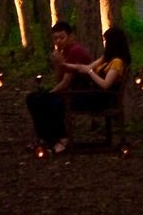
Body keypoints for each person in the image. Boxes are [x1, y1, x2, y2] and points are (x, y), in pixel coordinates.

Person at [26, 20, 92, 152]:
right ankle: (45, 137)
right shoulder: (64, 52)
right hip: (70, 92)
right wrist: (58, 64)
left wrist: (50, 93)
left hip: (82, 94)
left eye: (62, 37)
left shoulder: (75, 51)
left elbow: (66, 82)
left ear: (70, 36)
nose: (58, 41)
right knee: (33, 98)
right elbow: (59, 79)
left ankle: (62, 138)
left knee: (48, 101)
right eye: (55, 38)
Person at [63, 25, 131, 106]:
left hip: (103, 98)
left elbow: (106, 84)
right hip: (93, 92)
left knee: (64, 102)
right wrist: (65, 64)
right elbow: (88, 67)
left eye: (106, 41)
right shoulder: (106, 58)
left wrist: (90, 72)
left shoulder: (117, 62)